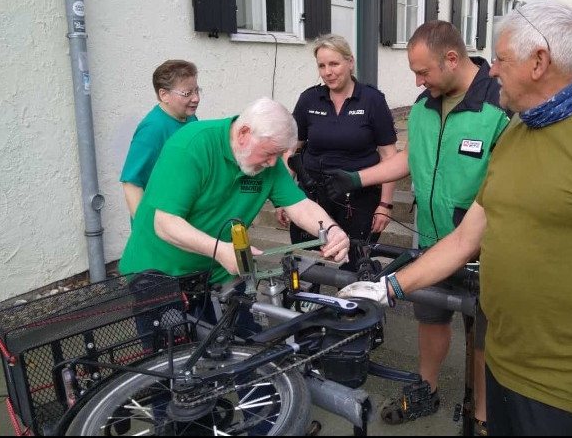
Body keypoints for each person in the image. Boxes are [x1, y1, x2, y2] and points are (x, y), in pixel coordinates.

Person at [338, 0, 572, 436]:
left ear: (539, 62)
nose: (492, 69)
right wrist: (390, 286)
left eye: (500, 59)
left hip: (567, 392)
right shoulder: (519, 131)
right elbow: (465, 240)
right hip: (501, 369)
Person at [325, 21, 509, 432]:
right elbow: (410, 158)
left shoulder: (500, 104)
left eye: (423, 71)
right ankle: (425, 389)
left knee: (484, 337)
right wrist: (357, 178)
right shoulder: (427, 104)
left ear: (452, 58)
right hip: (431, 238)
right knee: (431, 319)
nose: (417, 80)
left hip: (487, 248)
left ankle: (481, 414)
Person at [119, 96, 350, 291]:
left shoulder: (267, 162)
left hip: (218, 272)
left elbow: (300, 206)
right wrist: (220, 250)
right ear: (244, 134)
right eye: (269, 154)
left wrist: (332, 231)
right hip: (158, 274)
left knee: (245, 340)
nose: (273, 164)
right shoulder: (191, 147)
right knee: (179, 345)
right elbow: (165, 224)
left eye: (278, 155)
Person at [274, 34, 398, 271]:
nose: (328, 72)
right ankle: (306, 305)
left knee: (355, 266)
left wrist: (385, 205)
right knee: (305, 266)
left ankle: (352, 307)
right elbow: (292, 149)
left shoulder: (372, 100)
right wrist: (284, 197)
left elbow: (389, 156)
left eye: (334, 64)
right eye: (322, 65)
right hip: (313, 196)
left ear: (350, 62)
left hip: (358, 198)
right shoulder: (309, 99)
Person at [120, 59, 201, 220]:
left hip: (183, 217)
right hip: (160, 226)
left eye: (197, 91)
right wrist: (147, 229)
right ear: (164, 95)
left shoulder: (190, 119)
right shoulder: (152, 128)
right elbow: (131, 184)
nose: (196, 98)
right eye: (187, 93)